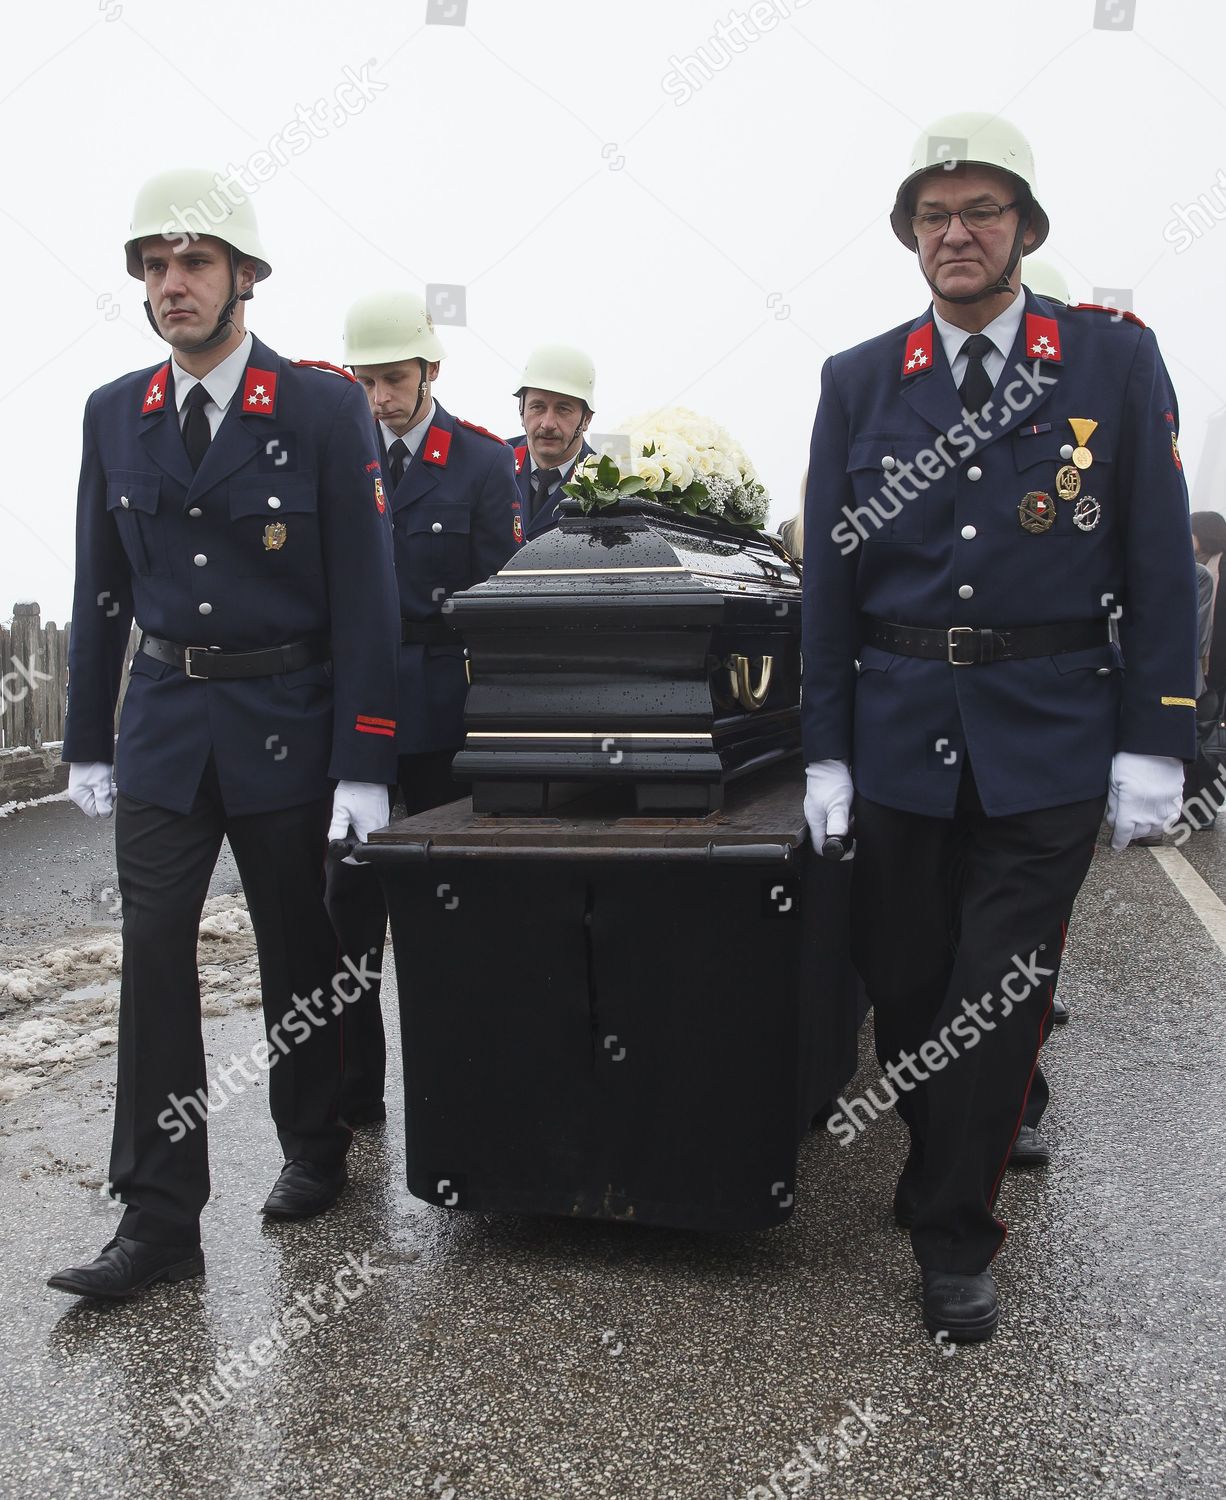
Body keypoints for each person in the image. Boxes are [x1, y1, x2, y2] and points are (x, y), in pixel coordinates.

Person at [801, 113, 1198, 1342]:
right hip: (900, 727)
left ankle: (953, 1237)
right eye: (933, 215)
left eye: (979, 212)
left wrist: (1157, 736)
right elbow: (830, 579)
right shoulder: (859, 380)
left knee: (997, 989)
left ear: (1022, 229)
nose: (955, 233)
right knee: (910, 990)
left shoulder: (1107, 366)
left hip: (1047, 733)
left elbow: (1152, 554)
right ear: (910, 236)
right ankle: (947, 1159)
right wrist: (823, 744)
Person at [48, 169, 400, 1301]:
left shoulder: (320, 407)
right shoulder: (115, 411)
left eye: (195, 264)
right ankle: (157, 1220)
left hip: (287, 722)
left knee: (297, 945)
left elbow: (367, 598)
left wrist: (365, 759)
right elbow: (98, 584)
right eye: (155, 267)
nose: (172, 286)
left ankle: (312, 1141)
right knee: (153, 956)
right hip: (160, 725)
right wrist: (87, 742)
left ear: (245, 277)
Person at [323, 289, 521, 1125]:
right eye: (364, 381)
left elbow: (501, 598)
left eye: (393, 379)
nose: (378, 399)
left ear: (432, 370)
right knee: (346, 912)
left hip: (444, 712)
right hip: (352, 715)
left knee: (451, 911)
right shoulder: (336, 450)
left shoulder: (480, 461)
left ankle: (461, 1087)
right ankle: (353, 1092)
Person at [507, 344, 596, 540]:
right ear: (521, 410)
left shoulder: (606, 484)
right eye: (537, 407)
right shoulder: (490, 465)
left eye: (563, 409)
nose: (547, 424)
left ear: (586, 419)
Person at [1183, 510, 1226, 825]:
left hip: (1214, 674)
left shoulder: (1212, 571)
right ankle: (1196, 808)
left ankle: (1200, 810)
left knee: (1204, 741)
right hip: (1206, 672)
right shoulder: (1202, 568)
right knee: (1201, 738)